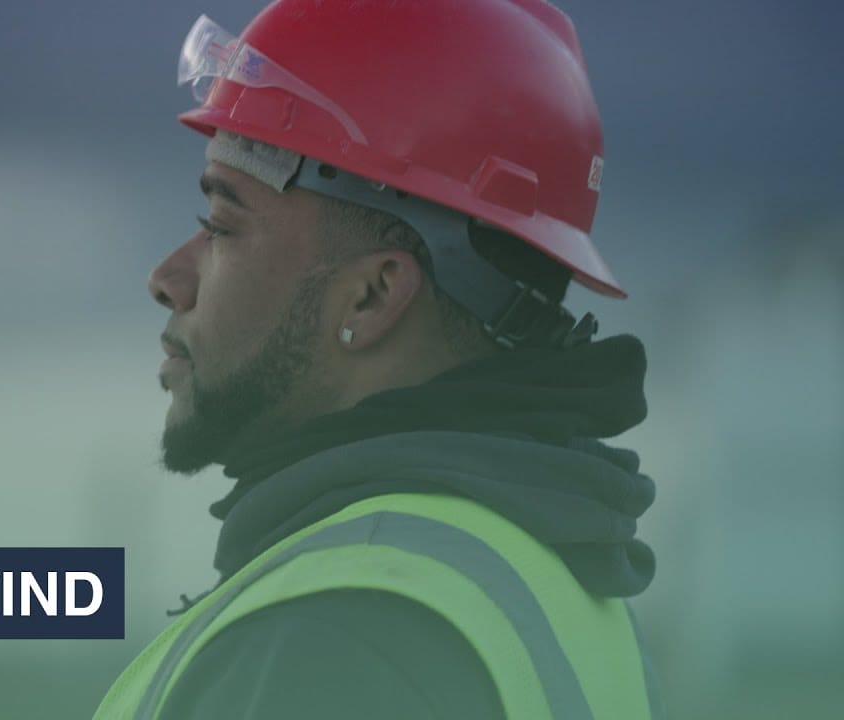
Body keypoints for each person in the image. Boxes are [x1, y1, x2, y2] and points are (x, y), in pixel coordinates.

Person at [96, 1, 661, 717]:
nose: (167, 278)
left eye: (221, 225)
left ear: (372, 296)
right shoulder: (553, 581)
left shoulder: (333, 639)